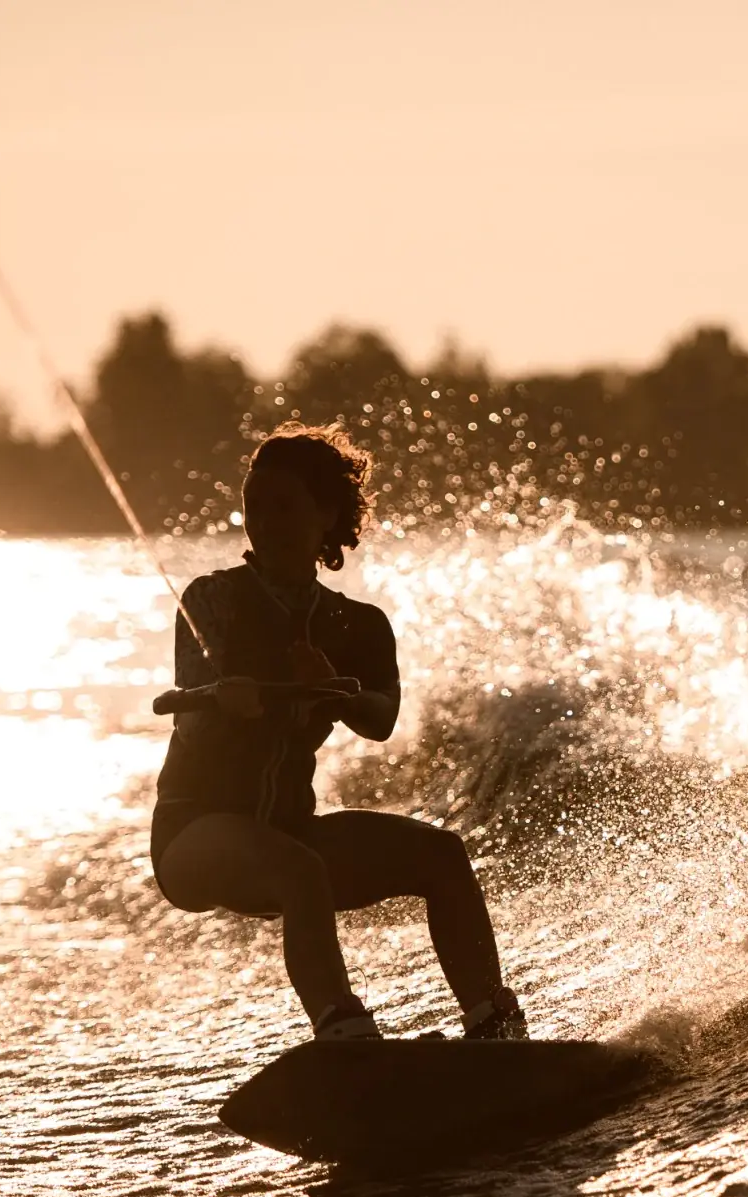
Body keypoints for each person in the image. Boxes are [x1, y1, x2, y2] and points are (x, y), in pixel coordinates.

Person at [151, 424, 527, 1042]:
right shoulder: (212, 599)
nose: (264, 523)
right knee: (299, 869)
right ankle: (343, 1031)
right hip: (194, 836)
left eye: (283, 507)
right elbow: (190, 727)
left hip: (290, 833)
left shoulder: (357, 625)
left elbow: (379, 719)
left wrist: (330, 684)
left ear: (327, 515)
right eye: (253, 508)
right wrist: (226, 703)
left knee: (442, 857)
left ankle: (493, 1022)